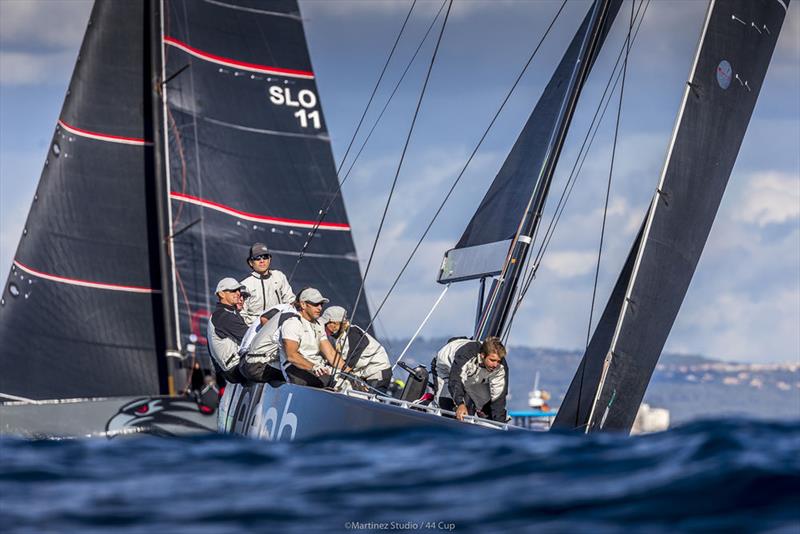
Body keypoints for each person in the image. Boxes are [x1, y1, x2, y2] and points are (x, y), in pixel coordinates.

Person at [432, 336, 509, 422]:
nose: (495, 365)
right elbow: (455, 380)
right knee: (446, 406)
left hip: (473, 374)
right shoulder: (466, 354)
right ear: (483, 355)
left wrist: (500, 424)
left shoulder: (500, 366)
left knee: (489, 409)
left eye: (498, 361)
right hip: (447, 369)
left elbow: (499, 397)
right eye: (492, 360)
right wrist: (460, 404)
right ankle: (426, 403)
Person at [278, 287, 343, 388]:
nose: (320, 308)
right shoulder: (292, 323)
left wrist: (350, 373)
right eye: (315, 304)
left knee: (347, 382)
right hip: (296, 368)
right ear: (303, 304)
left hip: (317, 368)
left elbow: (330, 353)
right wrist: (314, 367)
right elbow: (292, 356)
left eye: (321, 304)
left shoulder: (319, 325)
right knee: (331, 383)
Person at [320, 306, 393, 393]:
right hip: (364, 373)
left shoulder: (353, 334)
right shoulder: (339, 336)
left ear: (335, 323)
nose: (324, 328)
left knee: (372, 401)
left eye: (326, 324)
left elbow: (349, 361)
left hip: (377, 373)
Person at [240, 242, 295, 326]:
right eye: (257, 258)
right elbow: (242, 314)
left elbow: (290, 301)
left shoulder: (279, 276)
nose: (262, 261)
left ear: (269, 259)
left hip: (279, 325)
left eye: (265, 257)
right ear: (251, 262)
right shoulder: (245, 285)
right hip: (254, 329)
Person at [238, 303, 294, 384]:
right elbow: (264, 319)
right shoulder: (287, 310)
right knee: (294, 369)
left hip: (246, 358)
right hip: (251, 360)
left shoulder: (282, 310)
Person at [207, 277, 249, 383]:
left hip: (231, 369)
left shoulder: (225, 313)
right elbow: (250, 338)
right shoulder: (223, 316)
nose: (238, 293)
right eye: (233, 290)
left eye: (239, 290)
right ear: (221, 294)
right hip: (235, 369)